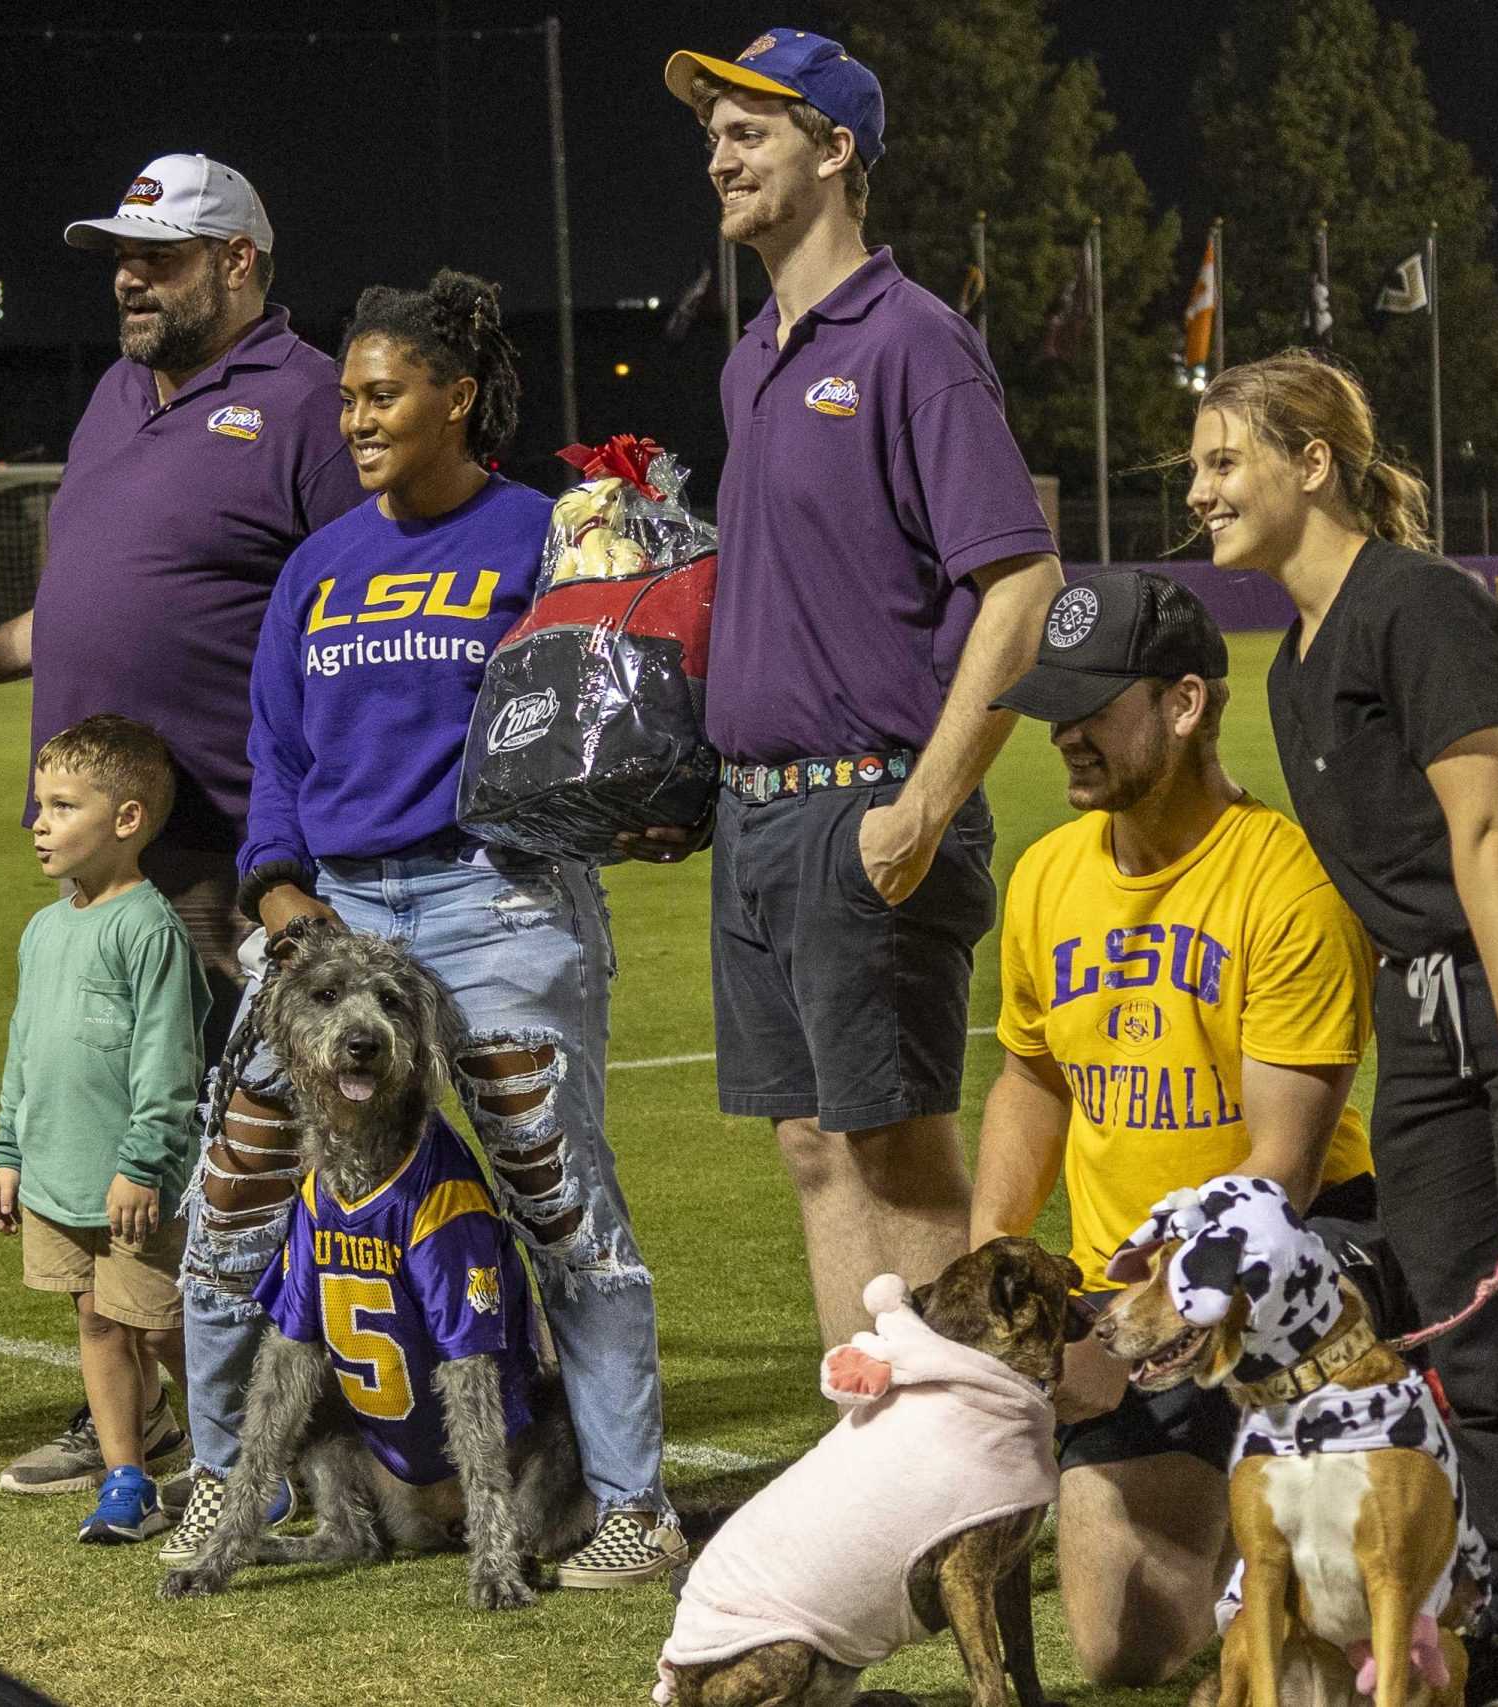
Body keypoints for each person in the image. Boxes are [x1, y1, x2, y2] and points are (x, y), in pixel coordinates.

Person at [163, 268, 683, 1589]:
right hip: (332, 915)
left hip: (493, 894)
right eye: (346, 398)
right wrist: (278, 894)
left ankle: (632, 1502)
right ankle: (231, 1479)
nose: (354, 418)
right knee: (232, 1201)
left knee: (556, 1200)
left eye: (382, 394)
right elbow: (272, 749)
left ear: (457, 397)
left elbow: (626, 681)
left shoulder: (545, 534)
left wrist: (648, 790)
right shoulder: (319, 567)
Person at [1188, 348, 1498, 1707]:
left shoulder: (1420, 606)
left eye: (1225, 460)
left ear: (1311, 463)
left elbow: (1494, 831)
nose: (1201, 489)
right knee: (1464, 1341)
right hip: (1434, 1013)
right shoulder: (1291, 663)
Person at [656, 30, 1063, 1349]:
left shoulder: (913, 341)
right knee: (816, 1150)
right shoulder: (752, 354)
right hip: (758, 814)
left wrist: (928, 803)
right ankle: (872, 1453)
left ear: (836, 151)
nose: (718, 153)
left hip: (867, 807)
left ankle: (986, 1461)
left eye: (749, 129)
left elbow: (1022, 580)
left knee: (896, 1151)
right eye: (712, 132)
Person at [968, 567, 1380, 1683]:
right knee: (1121, 1646)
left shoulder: (1286, 885)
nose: (1061, 734)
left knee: (1345, 1631)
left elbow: (1278, 1174)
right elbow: (1030, 1080)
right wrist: (992, 1265)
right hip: (1127, 1287)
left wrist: (1121, 1340)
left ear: (1184, 703)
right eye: (1050, 705)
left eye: (1091, 704)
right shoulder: (1048, 873)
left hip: (1287, 1279)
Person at [0, 152, 358, 1045]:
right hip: (94, 839)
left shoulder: (312, 400)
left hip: (222, 847)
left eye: (160, 257)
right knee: (119, 1126)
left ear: (237, 262)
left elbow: (367, 619)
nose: (128, 277)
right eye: (122, 255)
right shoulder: (115, 392)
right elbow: (108, 603)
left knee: (233, 1131)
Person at [0, 715, 210, 1543]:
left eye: (62, 806)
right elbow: (23, 1046)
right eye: (39, 804)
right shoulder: (44, 928)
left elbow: (167, 1063)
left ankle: (241, 1464)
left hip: (129, 1184)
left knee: (165, 1325)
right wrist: (10, 1151)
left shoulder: (149, 930)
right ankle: (128, 1477)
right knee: (96, 1320)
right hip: (54, 1174)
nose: (40, 823)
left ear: (126, 819)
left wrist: (143, 1164)